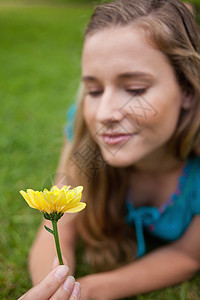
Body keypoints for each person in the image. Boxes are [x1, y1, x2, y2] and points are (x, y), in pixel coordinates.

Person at [28, 0, 200, 299]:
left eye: (135, 89)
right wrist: (56, 289)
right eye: (94, 91)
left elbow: (187, 256)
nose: (104, 113)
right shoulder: (89, 139)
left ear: (186, 89)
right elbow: (57, 224)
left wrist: (91, 290)